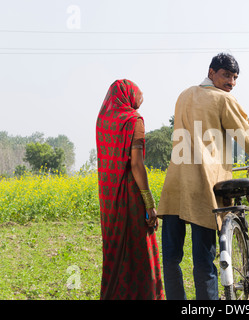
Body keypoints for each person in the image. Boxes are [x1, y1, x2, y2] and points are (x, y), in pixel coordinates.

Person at [157, 53, 249, 300]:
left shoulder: (184, 95)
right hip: (203, 185)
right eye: (226, 75)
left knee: (171, 257)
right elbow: (246, 135)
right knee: (204, 259)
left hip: (175, 183)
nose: (231, 82)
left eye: (235, 77)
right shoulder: (222, 99)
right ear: (212, 72)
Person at [96, 79, 164, 300]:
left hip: (109, 198)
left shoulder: (102, 121)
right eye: (139, 94)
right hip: (130, 195)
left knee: (116, 251)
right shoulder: (134, 121)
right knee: (141, 251)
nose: (141, 98)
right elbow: (136, 165)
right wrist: (150, 203)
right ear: (128, 95)